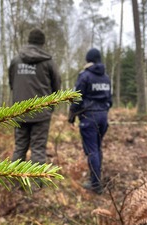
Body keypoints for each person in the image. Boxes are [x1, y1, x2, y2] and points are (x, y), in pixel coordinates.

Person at [9, 28, 61, 173]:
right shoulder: (48, 62)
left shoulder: (16, 60)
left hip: (20, 111)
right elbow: (57, 86)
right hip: (41, 112)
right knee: (38, 149)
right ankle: (35, 185)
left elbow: (12, 84)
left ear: (29, 41)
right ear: (42, 42)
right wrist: (50, 107)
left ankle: (14, 182)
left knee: (20, 147)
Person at [68, 48, 112, 195]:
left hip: (89, 118)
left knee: (92, 150)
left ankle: (95, 184)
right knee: (98, 148)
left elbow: (76, 97)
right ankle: (96, 179)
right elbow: (109, 100)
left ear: (88, 60)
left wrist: (72, 114)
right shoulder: (106, 77)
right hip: (103, 117)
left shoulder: (85, 76)